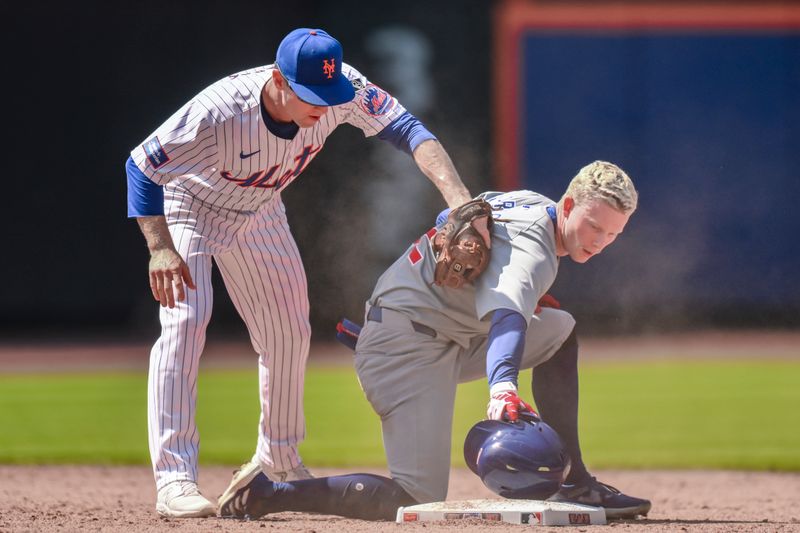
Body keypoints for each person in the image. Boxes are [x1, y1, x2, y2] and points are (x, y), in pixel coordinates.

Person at [126, 27, 482, 518]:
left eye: (329, 93)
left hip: (260, 209)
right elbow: (142, 165)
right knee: (186, 323)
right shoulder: (220, 109)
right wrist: (160, 249)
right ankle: (174, 479)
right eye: (311, 95)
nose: (324, 105)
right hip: (191, 205)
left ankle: (279, 461)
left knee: (288, 331)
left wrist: (460, 202)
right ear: (278, 80)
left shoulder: (344, 90)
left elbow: (412, 133)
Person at [218, 160, 652, 521]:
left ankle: (577, 485)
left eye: (613, 233)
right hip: (406, 348)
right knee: (416, 497)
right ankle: (267, 493)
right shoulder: (535, 250)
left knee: (559, 329)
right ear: (570, 204)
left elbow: (451, 218)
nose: (600, 241)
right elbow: (506, 318)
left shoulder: (530, 203)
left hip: (431, 330)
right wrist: (502, 386)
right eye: (595, 225)